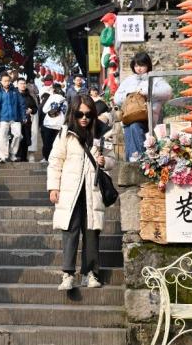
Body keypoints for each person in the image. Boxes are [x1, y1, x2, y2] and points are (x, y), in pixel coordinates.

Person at [47, 95, 116, 291]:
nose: (84, 118)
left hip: (92, 190)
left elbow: (112, 160)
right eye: (79, 114)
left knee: (91, 232)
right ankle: (68, 274)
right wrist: (53, 187)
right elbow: (55, 161)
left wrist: (106, 162)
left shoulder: (102, 134)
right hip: (70, 191)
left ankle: (90, 273)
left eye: (88, 114)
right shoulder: (65, 133)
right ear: (73, 114)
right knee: (70, 231)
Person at [114, 52, 172, 161]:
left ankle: (139, 160)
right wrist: (130, 95)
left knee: (135, 126)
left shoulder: (155, 78)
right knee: (129, 128)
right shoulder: (128, 80)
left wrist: (146, 92)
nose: (139, 68)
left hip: (147, 117)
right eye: (136, 65)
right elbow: (116, 98)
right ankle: (131, 162)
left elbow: (168, 92)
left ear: (148, 65)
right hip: (129, 116)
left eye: (141, 65)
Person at [0, 71, 26, 163]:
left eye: (8, 81)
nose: (7, 82)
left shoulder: (15, 91)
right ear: (1, 81)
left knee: (18, 135)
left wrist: (24, 116)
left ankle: (13, 153)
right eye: (5, 81)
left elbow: (21, 104)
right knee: (2, 137)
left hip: (15, 118)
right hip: (3, 118)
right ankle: (3, 156)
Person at [41, 84, 67, 162]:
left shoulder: (52, 97)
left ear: (54, 90)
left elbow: (44, 110)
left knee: (47, 143)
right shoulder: (65, 100)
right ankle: (57, 159)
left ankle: (46, 158)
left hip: (49, 123)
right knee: (58, 144)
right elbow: (66, 113)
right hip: (60, 125)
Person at [17, 78, 38, 162]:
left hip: (27, 121)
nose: (23, 85)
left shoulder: (29, 96)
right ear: (17, 85)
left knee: (26, 139)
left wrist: (31, 110)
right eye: (21, 83)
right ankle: (16, 156)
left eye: (24, 83)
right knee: (17, 137)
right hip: (16, 120)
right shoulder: (13, 95)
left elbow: (35, 108)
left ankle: (23, 157)